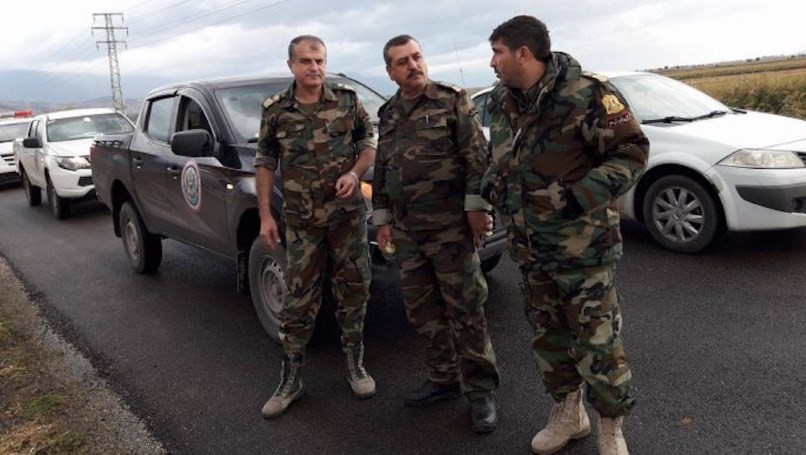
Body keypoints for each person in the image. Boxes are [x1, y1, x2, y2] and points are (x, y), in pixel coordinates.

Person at [483, 16, 649, 455]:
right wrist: (490, 185)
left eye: (497, 52)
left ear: (523, 53)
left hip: (584, 249)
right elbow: (498, 158)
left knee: (598, 342)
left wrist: (579, 197)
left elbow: (631, 152)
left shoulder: (586, 93)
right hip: (530, 249)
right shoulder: (500, 102)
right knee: (549, 339)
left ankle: (610, 426)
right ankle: (569, 414)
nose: (492, 62)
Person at [372, 35, 501, 433]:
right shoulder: (388, 113)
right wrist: (382, 219)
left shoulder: (451, 101)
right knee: (422, 311)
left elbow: (477, 159)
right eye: (402, 62)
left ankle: (480, 392)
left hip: (450, 229)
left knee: (466, 310)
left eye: (416, 57)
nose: (413, 65)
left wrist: (478, 209)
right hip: (408, 233)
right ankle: (444, 379)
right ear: (390, 72)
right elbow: (383, 169)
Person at [254, 35, 377, 419]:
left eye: (320, 60)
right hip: (303, 222)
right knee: (298, 299)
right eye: (306, 61)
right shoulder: (276, 110)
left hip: (346, 218)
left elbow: (368, 142)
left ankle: (355, 363)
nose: (315, 67)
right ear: (291, 65)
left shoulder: (347, 101)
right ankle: (291, 378)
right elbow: (264, 162)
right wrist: (265, 215)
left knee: (354, 290)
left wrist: (355, 174)